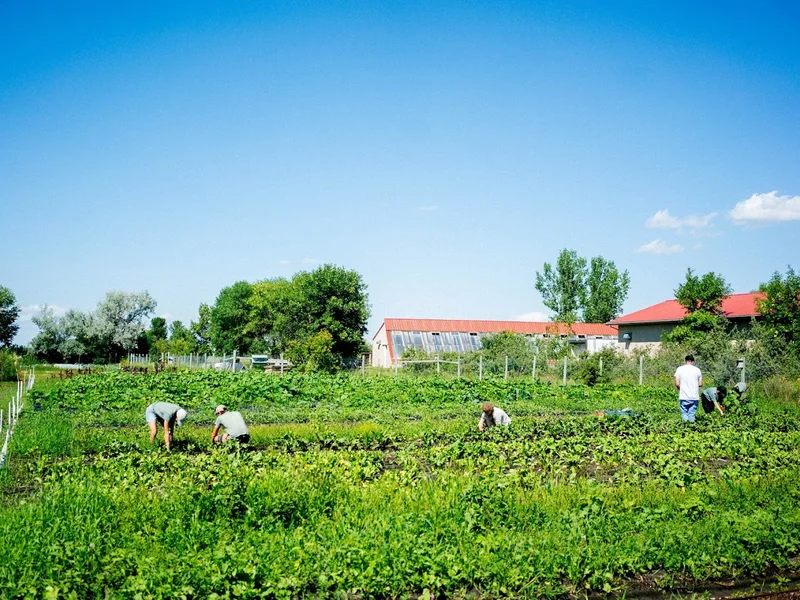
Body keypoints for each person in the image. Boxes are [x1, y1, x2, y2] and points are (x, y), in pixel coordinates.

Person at [674, 354, 703, 422]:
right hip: (694, 396)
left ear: (685, 361)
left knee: (684, 413)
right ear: (693, 361)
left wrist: (680, 388)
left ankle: (685, 428)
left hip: (683, 396)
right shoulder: (697, 370)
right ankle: (691, 429)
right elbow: (700, 384)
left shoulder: (679, 369)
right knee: (691, 414)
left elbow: (677, 383)